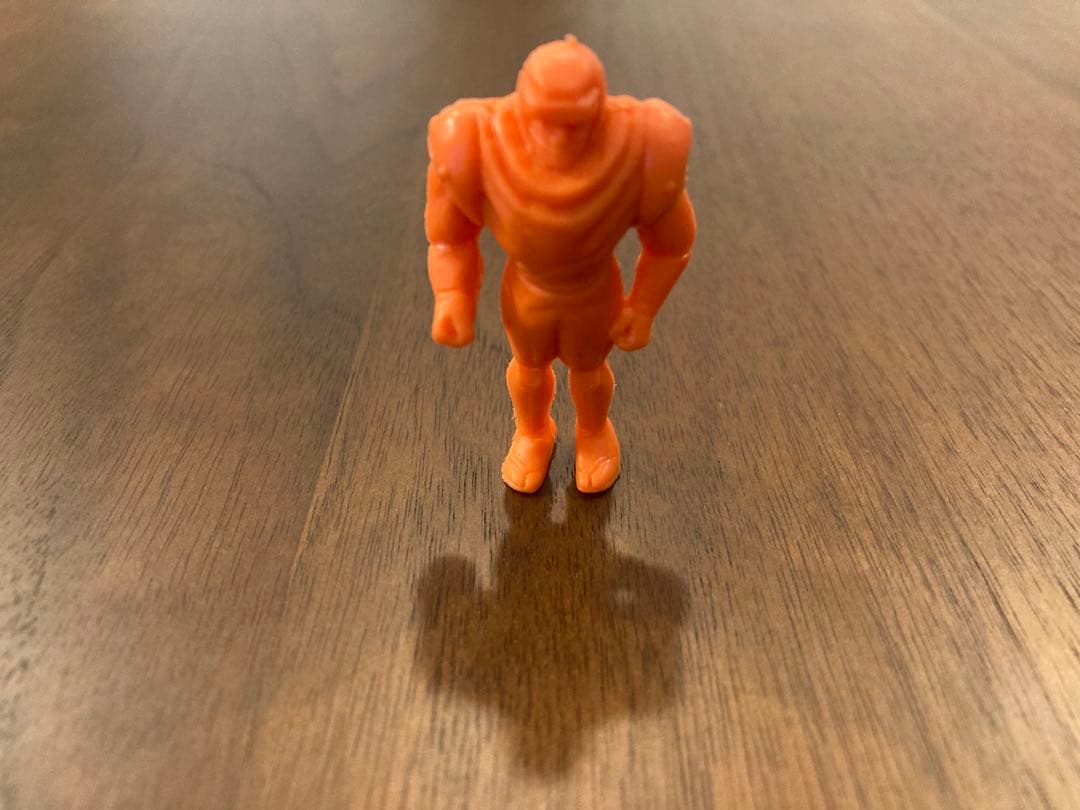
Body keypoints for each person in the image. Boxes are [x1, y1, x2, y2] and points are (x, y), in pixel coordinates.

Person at [425, 35, 696, 493]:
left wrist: (643, 306)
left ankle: (594, 432)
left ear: (598, 109)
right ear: (522, 105)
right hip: (527, 290)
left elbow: (672, 245)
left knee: (589, 375)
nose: (558, 138)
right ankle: (533, 433)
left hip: (593, 292)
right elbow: (449, 238)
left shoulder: (642, 147)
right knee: (527, 372)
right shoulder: (476, 142)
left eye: (573, 124)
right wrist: (452, 296)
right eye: (545, 121)